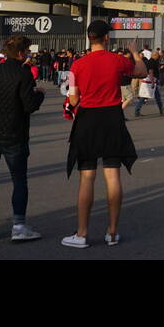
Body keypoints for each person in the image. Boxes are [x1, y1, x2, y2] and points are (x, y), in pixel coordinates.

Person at [63, 21, 145, 248]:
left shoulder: (76, 66)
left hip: (87, 119)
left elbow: (72, 99)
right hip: (112, 118)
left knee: (87, 176)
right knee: (112, 174)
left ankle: (81, 233)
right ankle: (112, 232)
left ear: (89, 38)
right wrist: (135, 53)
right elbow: (142, 71)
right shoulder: (117, 60)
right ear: (106, 37)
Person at [0, 33, 45, 242]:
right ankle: (19, 226)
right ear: (21, 53)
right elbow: (29, 105)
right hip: (14, 133)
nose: (29, 55)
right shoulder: (24, 74)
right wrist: (39, 94)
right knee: (19, 180)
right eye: (28, 51)